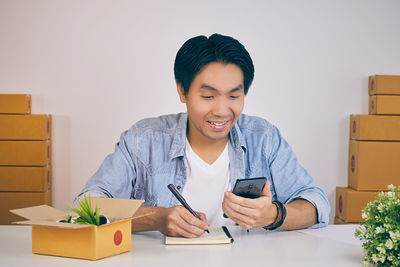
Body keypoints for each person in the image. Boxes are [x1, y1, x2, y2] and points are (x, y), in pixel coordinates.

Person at [75, 33, 330, 238]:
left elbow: (316, 204)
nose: (221, 111)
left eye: (233, 96)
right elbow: (84, 207)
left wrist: (273, 215)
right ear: (182, 91)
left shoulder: (264, 138)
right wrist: (156, 218)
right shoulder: (143, 140)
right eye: (208, 96)